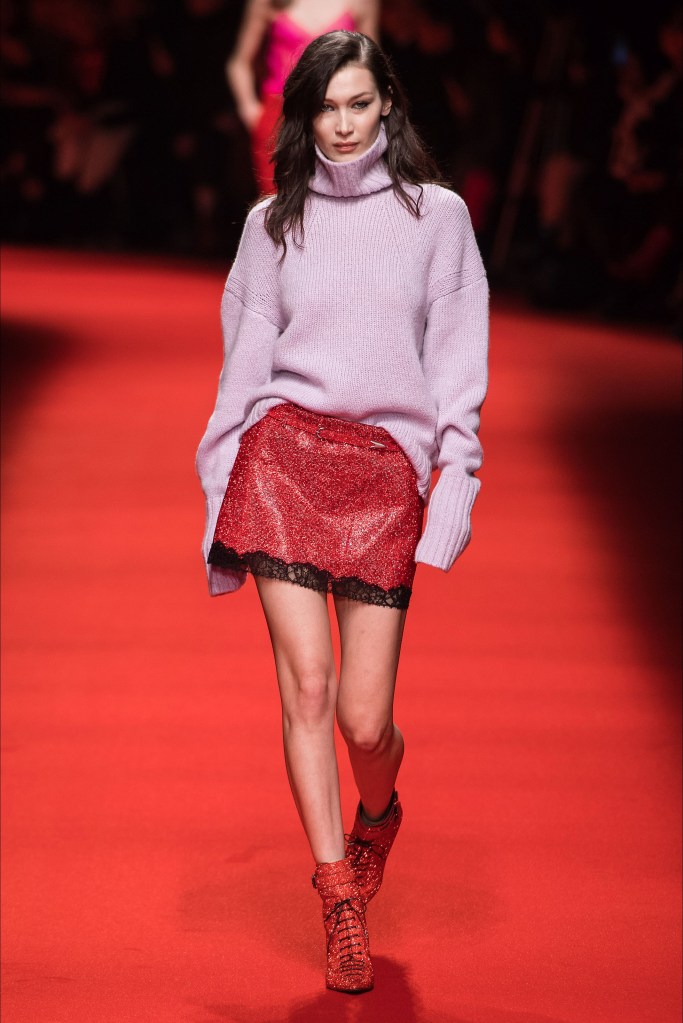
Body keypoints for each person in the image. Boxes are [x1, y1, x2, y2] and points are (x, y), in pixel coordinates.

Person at [196, 30, 488, 994]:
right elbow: (243, 366)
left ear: (387, 103)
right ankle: (337, 898)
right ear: (303, 116)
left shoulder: (437, 218)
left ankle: (377, 816)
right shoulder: (271, 222)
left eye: (359, 103)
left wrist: (452, 484)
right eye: (325, 107)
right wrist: (219, 483)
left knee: (365, 722)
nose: (344, 124)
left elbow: (457, 365)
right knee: (308, 688)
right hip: (281, 456)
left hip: (381, 470)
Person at [226, 0, 379, 192]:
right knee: (280, 200)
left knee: (344, 198)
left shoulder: (363, 2)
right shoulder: (267, 3)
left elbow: (372, 65)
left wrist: (367, 111)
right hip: (280, 117)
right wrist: (252, 112)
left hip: (339, 116)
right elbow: (239, 64)